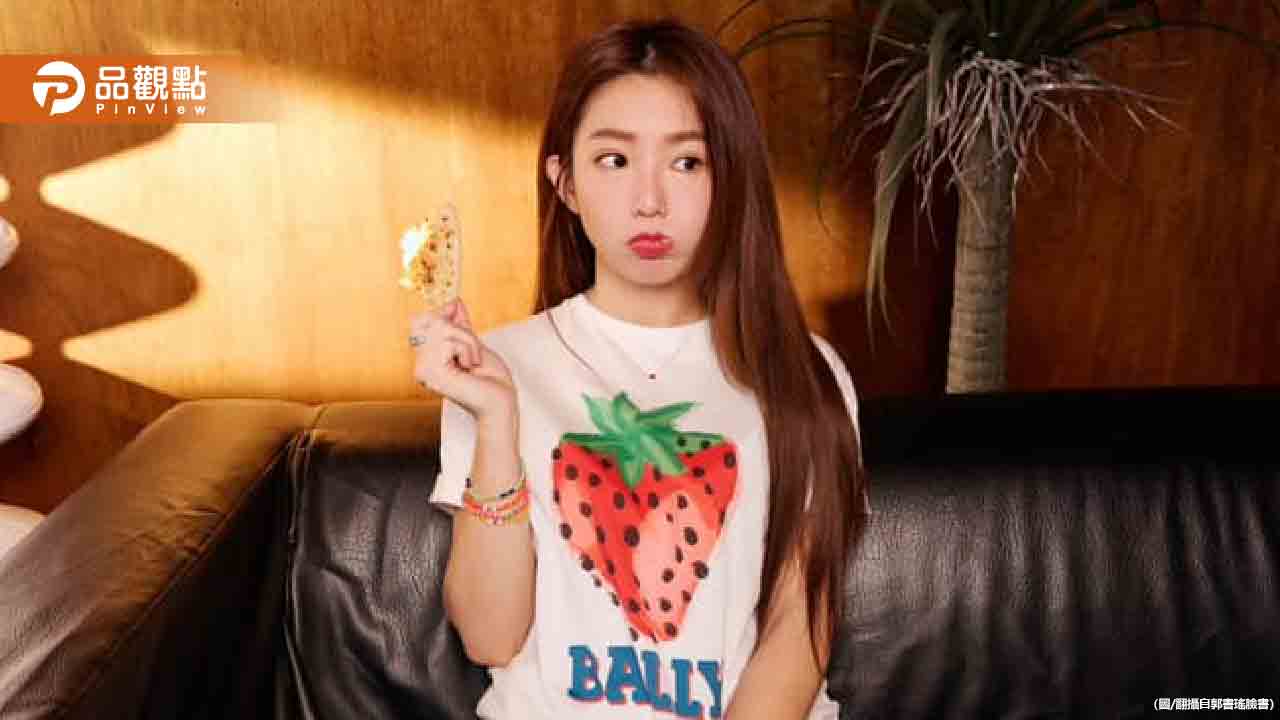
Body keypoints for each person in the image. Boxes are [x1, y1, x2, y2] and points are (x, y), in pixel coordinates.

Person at [409, 17, 870, 719]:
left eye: (687, 163)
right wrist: (497, 420)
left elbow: (798, 630)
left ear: (730, 180)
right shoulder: (497, 370)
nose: (650, 200)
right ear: (565, 183)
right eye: (614, 160)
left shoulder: (805, 371)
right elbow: (489, 636)